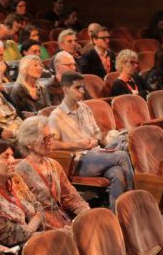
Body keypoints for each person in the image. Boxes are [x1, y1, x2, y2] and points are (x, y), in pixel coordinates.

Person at [49, 72, 135, 208]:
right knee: (122, 156)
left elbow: (97, 133)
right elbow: (52, 144)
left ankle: (117, 215)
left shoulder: (85, 108)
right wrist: (78, 144)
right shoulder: (56, 116)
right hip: (78, 161)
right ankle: (133, 201)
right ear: (65, 89)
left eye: (82, 87)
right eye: (77, 87)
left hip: (96, 154)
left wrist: (96, 140)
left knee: (117, 173)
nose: (82, 91)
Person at [15, 116, 89, 229]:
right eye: (45, 139)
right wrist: (58, 230)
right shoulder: (20, 172)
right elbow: (28, 214)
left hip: (65, 222)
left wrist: (86, 212)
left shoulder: (54, 165)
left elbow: (71, 196)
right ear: (29, 143)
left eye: (50, 136)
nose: (51, 142)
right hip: (44, 229)